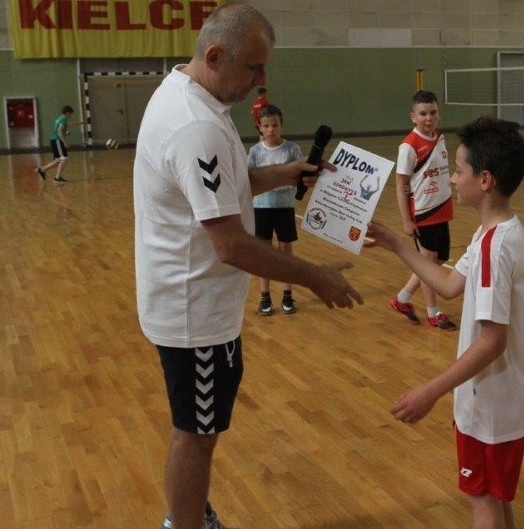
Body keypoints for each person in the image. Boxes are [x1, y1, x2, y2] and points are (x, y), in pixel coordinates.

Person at [133, 5, 363, 529]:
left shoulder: (187, 94)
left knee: (197, 427)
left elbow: (219, 193)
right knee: (196, 433)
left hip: (186, 301)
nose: (262, 84)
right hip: (195, 314)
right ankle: (186, 522)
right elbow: (231, 245)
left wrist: (282, 172)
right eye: (253, 69)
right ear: (214, 56)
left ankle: (189, 509)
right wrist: (317, 277)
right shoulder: (197, 128)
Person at [367, 116, 524, 529]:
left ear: (485, 180)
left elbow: (493, 341)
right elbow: (446, 284)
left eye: (458, 171)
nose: (452, 180)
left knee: (481, 501)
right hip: (500, 396)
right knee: (495, 497)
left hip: (491, 398)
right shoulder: (491, 234)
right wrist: (395, 243)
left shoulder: (496, 247)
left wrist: (431, 390)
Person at [388, 90, 457, 330]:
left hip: (442, 209)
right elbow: (400, 185)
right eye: (423, 113)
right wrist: (406, 220)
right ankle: (433, 312)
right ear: (413, 117)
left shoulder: (439, 138)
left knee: (438, 260)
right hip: (423, 213)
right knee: (428, 265)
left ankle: (403, 298)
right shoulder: (409, 146)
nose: (429, 118)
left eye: (433, 112)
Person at [249, 104, 302, 315]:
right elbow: (248, 179)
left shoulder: (292, 149)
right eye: (266, 125)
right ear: (260, 128)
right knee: (264, 252)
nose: (271, 129)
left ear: (282, 126)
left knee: (285, 252)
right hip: (261, 208)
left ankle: (287, 295)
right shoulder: (255, 152)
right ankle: (265, 296)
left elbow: (300, 175)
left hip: (284, 207)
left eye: (275, 125)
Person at [36, 105, 83, 185]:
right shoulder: (63, 120)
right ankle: (57, 178)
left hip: (54, 140)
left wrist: (79, 123)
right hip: (57, 140)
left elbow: (68, 125)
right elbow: (59, 131)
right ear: (68, 113)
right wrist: (65, 143)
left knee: (58, 160)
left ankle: (42, 170)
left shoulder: (60, 119)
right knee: (64, 158)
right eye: (71, 114)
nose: (72, 116)